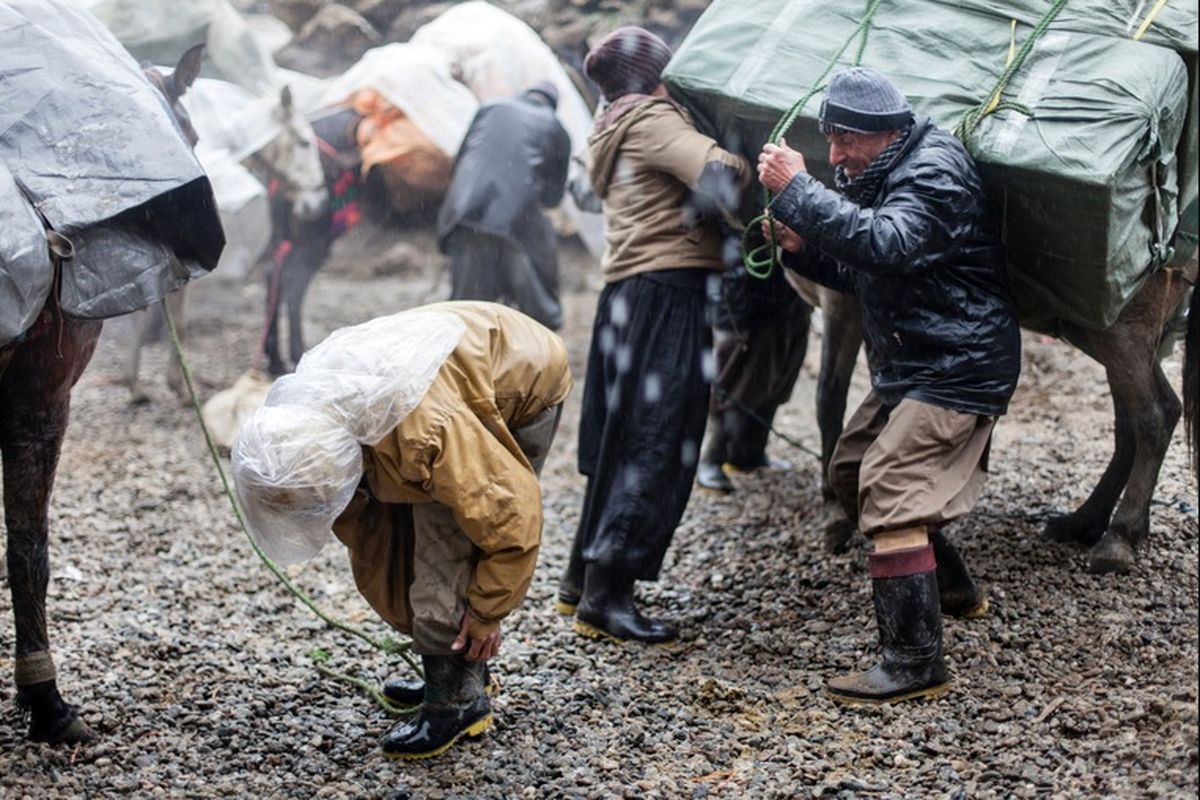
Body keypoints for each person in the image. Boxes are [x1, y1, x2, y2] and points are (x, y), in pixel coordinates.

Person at [757, 67, 1021, 703]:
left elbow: (890, 244)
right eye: (830, 141)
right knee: (848, 473)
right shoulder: (879, 169)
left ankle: (914, 661)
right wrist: (800, 246)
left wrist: (798, 190)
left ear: (884, 132)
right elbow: (870, 270)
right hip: (913, 358)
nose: (837, 156)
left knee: (892, 485)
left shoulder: (934, 170)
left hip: (959, 363)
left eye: (846, 141)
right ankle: (952, 587)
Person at [232, 301, 570, 758]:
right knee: (409, 542)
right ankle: (455, 670)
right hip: (455, 371)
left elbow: (509, 518)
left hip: (524, 380)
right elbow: (374, 541)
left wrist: (488, 612)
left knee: (448, 543)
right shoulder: (309, 418)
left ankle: (457, 702)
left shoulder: (425, 436)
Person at [555, 26, 750, 643]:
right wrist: (750, 152)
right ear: (660, 75)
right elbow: (719, 174)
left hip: (627, 292)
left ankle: (579, 579)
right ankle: (607, 596)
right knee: (657, 439)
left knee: (621, 437)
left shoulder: (611, 118)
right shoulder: (653, 119)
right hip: (666, 291)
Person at [437, 82, 572, 330]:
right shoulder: (555, 127)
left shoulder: (490, 107)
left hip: (464, 212)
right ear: (552, 105)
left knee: (467, 313)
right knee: (535, 308)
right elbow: (553, 197)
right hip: (515, 222)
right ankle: (542, 320)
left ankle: (465, 353)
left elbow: (460, 160)